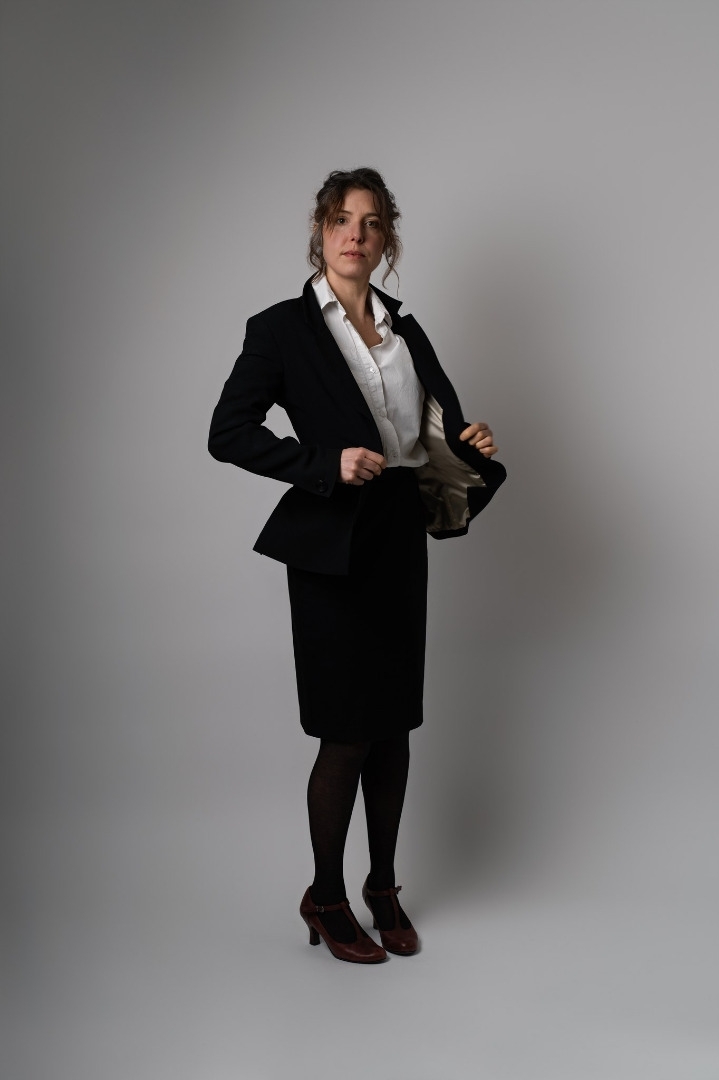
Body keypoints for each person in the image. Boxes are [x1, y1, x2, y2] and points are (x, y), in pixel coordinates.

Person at [208, 167, 506, 963]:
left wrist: (467, 443)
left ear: (386, 239)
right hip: (331, 544)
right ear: (320, 230)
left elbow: (427, 433)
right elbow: (227, 432)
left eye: (371, 223)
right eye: (341, 219)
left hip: (398, 532)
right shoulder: (281, 328)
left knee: (394, 726)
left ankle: (381, 887)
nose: (355, 234)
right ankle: (326, 895)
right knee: (345, 732)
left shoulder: (406, 329)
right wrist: (322, 463)